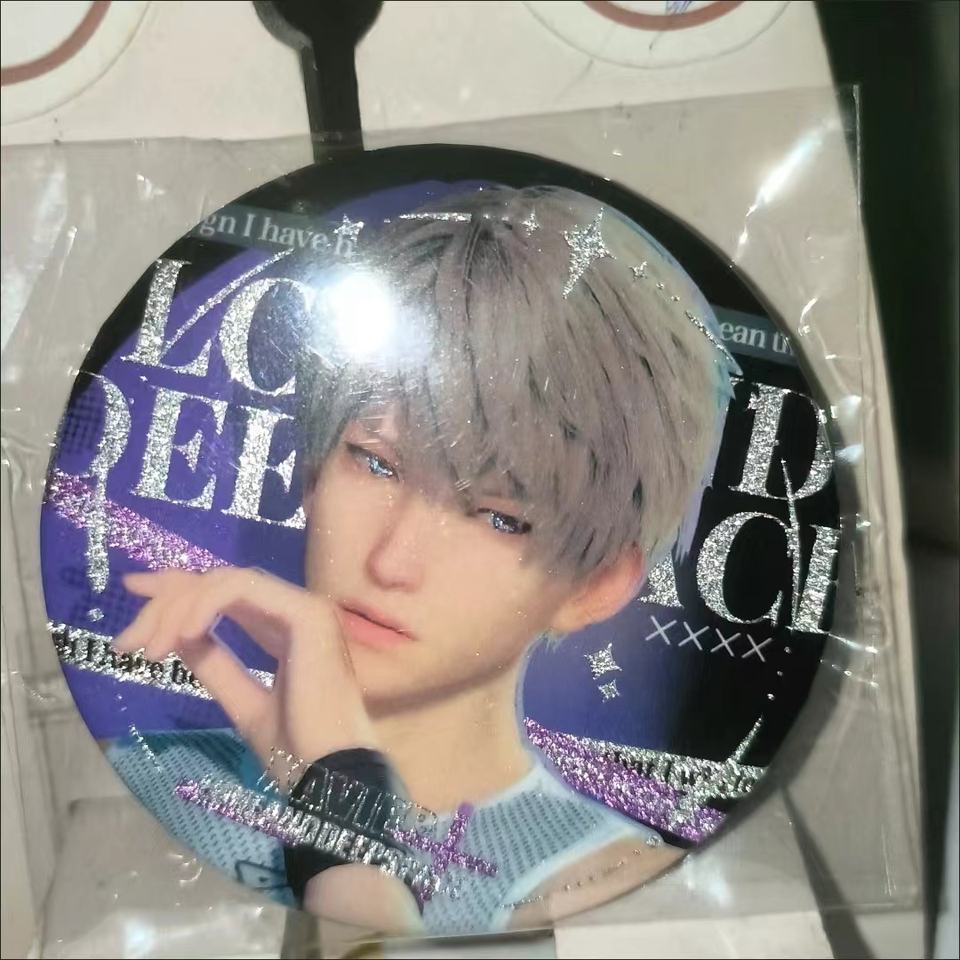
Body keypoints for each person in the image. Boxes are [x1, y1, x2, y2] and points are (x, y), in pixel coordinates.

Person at [113, 184, 737, 935]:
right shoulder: (132, 786)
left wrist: (342, 801)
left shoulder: (619, 892)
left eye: (500, 517)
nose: (392, 561)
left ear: (596, 586)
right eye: (375, 462)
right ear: (313, 469)